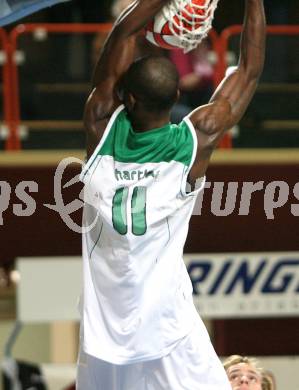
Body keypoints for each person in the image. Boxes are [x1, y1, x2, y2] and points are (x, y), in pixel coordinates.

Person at [78, 0, 266, 388]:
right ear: (178, 93)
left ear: (126, 100)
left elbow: (124, 33)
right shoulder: (196, 139)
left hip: (103, 339)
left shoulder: (100, 127)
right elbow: (249, 70)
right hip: (169, 328)